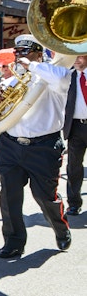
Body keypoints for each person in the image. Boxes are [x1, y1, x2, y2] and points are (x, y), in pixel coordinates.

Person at [0, 34, 72, 258]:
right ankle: (13, 242)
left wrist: (33, 66)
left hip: (44, 146)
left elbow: (63, 80)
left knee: (45, 196)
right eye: (17, 53)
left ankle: (61, 229)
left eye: (25, 52)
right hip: (11, 146)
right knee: (8, 196)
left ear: (39, 53)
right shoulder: (9, 81)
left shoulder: (49, 78)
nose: (19, 56)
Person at [64, 55, 87, 216]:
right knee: (73, 167)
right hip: (76, 127)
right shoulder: (68, 76)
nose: (76, 60)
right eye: (74, 57)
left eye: (79, 57)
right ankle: (73, 203)